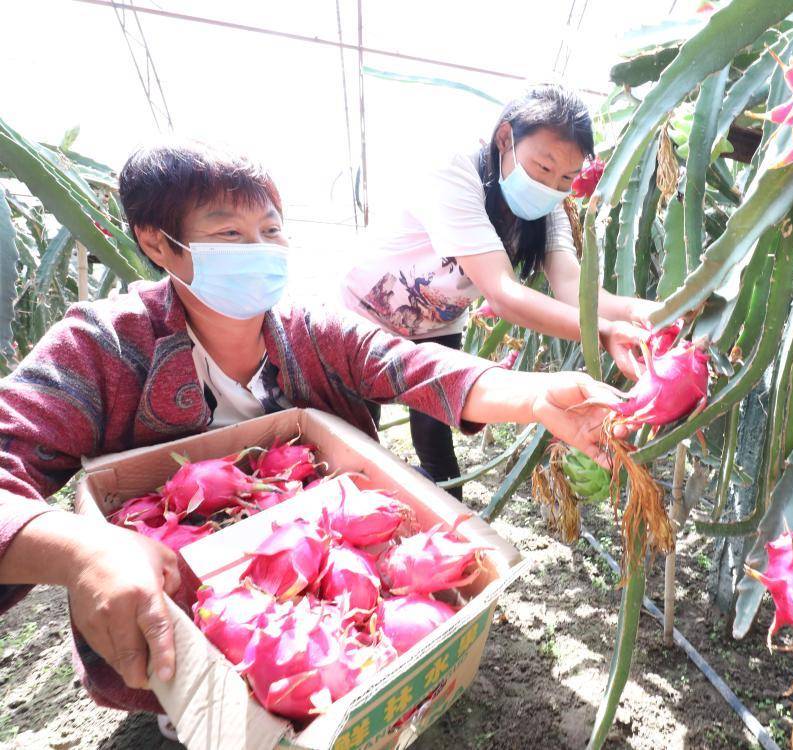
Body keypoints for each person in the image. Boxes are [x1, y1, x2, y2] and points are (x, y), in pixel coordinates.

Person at [0, 139, 627, 720]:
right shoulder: (101, 348)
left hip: (329, 596)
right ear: (158, 244)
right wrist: (86, 551)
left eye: (271, 231)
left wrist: (540, 395)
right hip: (175, 613)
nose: (262, 250)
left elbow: (412, 365)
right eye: (230, 233)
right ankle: (188, 707)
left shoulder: (311, 331)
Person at [341, 83, 658, 498]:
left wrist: (647, 311)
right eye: (542, 168)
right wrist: (603, 332)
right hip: (364, 312)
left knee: (437, 445)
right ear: (505, 138)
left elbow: (577, 290)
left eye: (566, 177)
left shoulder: (550, 211)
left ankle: (449, 531)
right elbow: (504, 294)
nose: (552, 187)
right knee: (357, 435)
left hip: (436, 326)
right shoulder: (455, 170)